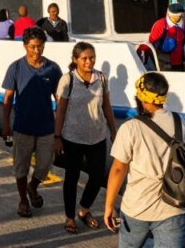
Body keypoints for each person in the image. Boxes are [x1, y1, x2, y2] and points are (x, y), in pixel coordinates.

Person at [104, 72, 185, 247]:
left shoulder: (130, 128)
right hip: (174, 207)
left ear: (141, 98)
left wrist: (109, 207)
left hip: (137, 208)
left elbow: (118, 169)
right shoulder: (180, 122)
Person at [53, 42, 118, 235]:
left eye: (92, 58)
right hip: (72, 137)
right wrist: (57, 137)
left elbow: (106, 107)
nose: (89, 62)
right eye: (84, 58)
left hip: (97, 137)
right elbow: (61, 111)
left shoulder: (102, 78)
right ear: (75, 60)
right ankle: (70, 217)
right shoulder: (68, 80)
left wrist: (114, 130)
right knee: (71, 178)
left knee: (98, 175)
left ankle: (84, 210)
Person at [2, 26, 62, 218]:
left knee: (45, 166)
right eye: (33, 47)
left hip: (46, 128)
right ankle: (23, 200)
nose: (37, 51)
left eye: (40, 47)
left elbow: (60, 99)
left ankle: (32, 186)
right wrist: (6, 124)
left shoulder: (53, 69)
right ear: (25, 46)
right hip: (22, 127)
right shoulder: (16, 68)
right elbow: (8, 98)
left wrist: (60, 129)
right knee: (21, 166)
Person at [148, 3, 185, 72]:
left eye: (179, 16)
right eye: (174, 16)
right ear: (168, 14)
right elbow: (151, 45)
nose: (177, 18)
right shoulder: (160, 25)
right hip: (164, 63)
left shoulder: (184, 23)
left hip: (181, 62)